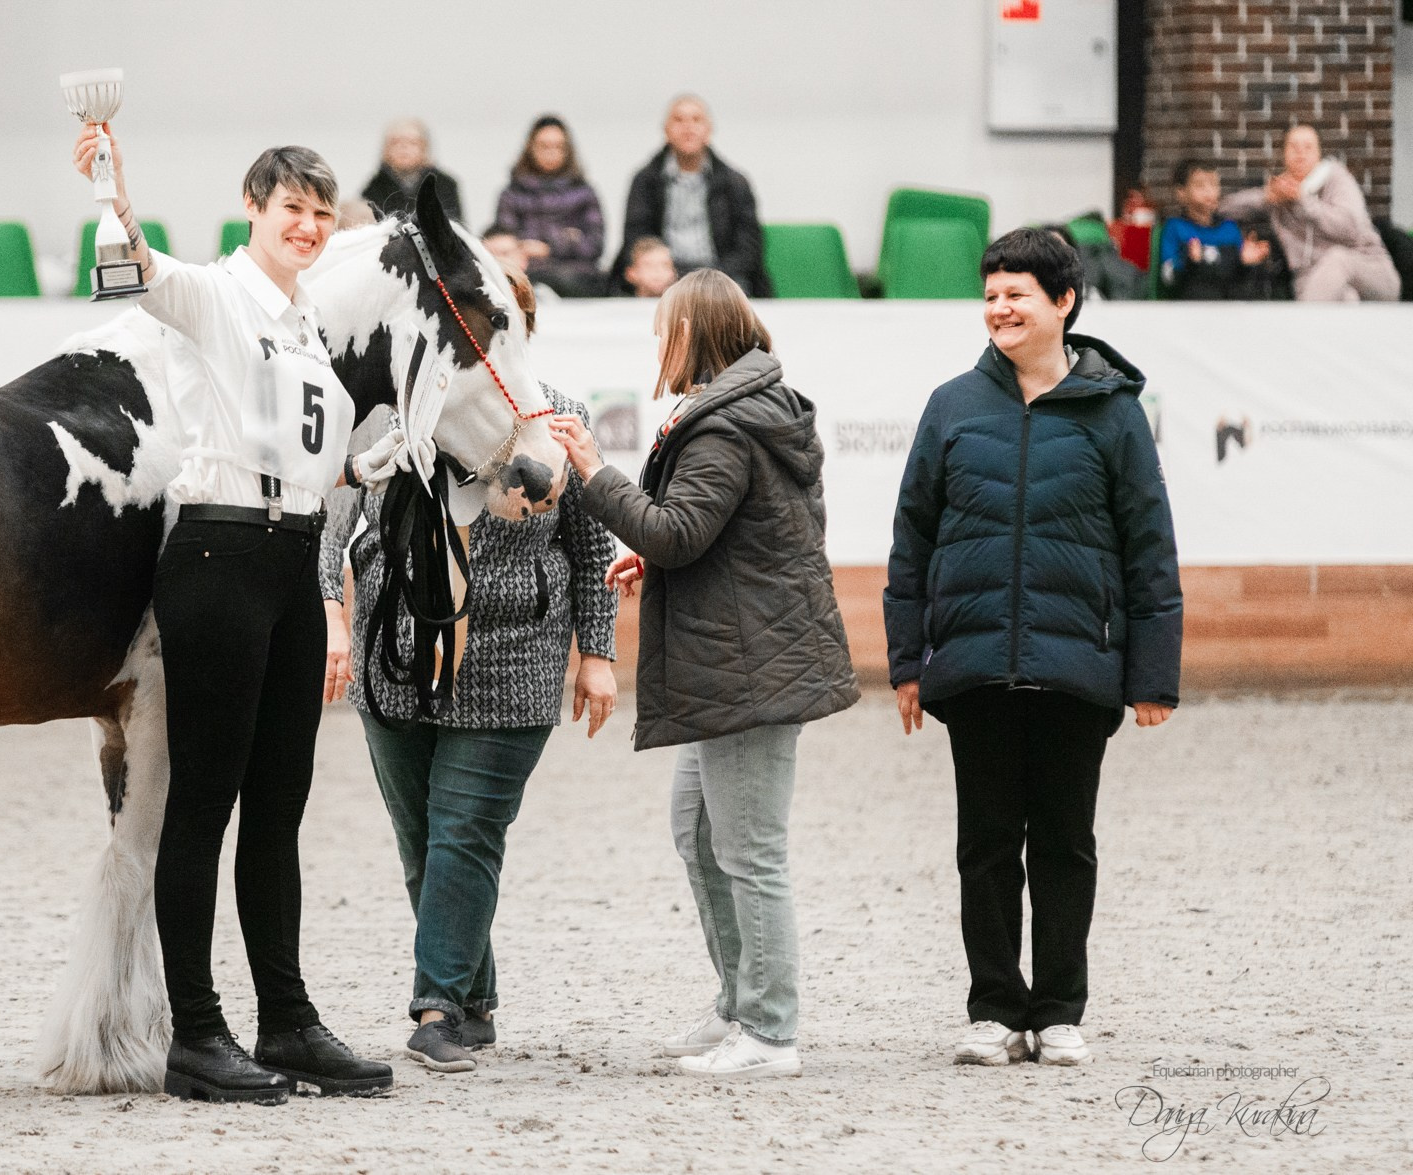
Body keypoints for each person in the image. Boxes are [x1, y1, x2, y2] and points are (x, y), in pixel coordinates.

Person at [72, 120, 401, 1104]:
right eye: (290, 207)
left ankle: (287, 1020)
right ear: (253, 209)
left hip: (292, 559)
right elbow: (136, 269)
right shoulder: (215, 295)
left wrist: (364, 464)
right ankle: (197, 1034)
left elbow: (311, 447)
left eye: (320, 212)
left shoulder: (303, 325)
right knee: (202, 803)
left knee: (279, 808)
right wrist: (109, 192)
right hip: (217, 552)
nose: (306, 224)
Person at [548, 270, 858, 1081]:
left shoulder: (725, 426)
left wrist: (593, 468)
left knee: (750, 850)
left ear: (695, 333)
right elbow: (720, 536)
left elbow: (683, 529)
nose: (659, 343)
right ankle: (737, 1003)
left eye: (666, 329)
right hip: (738, 655)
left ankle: (770, 1030)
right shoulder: (736, 414)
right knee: (698, 831)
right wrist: (652, 555)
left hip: (748, 665)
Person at [884, 227, 1182, 1070]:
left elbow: (1148, 545)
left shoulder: (1114, 413)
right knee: (983, 843)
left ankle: (1056, 1010)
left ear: (1064, 302)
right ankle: (991, 1009)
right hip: (973, 666)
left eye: (1016, 294)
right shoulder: (951, 406)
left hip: (1075, 669)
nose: (999, 309)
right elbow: (912, 540)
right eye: (990, 295)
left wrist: (1152, 671)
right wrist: (909, 661)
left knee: (1064, 842)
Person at [320, 268, 619, 1074]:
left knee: (464, 831)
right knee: (423, 841)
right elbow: (337, 515)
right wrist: (333, 613)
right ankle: (475, 997)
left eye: (505, 322)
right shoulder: (390, 416)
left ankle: (437, 1008)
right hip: (396, 658)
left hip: (511, 662)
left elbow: (591, 552)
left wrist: (598, 653)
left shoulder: (562, 420)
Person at [608, 95, 770, 297]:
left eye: (696, 120)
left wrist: (712, 277)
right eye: (679, 120)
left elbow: (748, 246)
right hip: (663, 277)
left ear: (708, 130)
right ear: (666, 130)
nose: (688, 127)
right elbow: (636, 235)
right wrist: (658, 270)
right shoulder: (646, 180)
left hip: (721, 277)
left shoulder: (734, 182)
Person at [1218, 123, 1398, 302]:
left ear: (1319, 154)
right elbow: (1223, 208)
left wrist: (1303, 201)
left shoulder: (1337, 178)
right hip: (1309, 280)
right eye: (1294, 147)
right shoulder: (1280, 193)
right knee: (1347, 299)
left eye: (1308, 147)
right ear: (1283, 155)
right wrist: (1267, 197)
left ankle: (1303, 325)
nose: (1301, 154)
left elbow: (1350, 229)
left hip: (1370, 269)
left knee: (1337, 259)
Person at [490, 115, 606, 297]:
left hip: (578, 280)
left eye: (558, 146)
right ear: (531, 148)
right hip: (526, 277)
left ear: (568, 150)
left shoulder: (585, 193)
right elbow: (506, 243)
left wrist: (549, 248)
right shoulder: (512, 194)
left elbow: (594, 246)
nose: (551, 152)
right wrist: (570, 238)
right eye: (544, 146)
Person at [1158, 159, 1280, 300]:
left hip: (1229, 311)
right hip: (1191, 310)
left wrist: (1248, 264)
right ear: (1181, 192)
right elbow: (1168, 279)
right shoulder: (1175, 228)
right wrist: (1190, 263)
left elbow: (1239, 279)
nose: (1209, 191)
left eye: (1213, 184)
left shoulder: (1229, 228)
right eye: (1200, 185)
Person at [360, 118, 463, 223]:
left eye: (412, 143)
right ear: (385, 150)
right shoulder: (374, 187)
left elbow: (454, 228)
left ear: (425, 149)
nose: (403, 148)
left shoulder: (444, 184)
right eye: (395, 143)